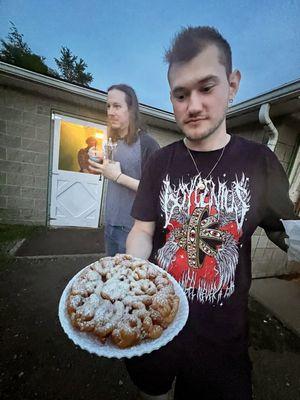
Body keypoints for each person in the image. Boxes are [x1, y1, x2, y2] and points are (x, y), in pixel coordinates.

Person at [124, 26, 300, 400]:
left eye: (207, 87)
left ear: (232, 85)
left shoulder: (260, 163)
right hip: (156, 322)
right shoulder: (159, 162)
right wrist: (131, 274)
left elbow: (288, 233)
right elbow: (142, 229)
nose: (194, 105)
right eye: (181, 94)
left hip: (222, 342)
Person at [89, 84, 160, 255]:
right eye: (108, 106)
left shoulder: (147, 144)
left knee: (126, 279)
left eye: (117, 106)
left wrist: (119, 176)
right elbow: (110, 173)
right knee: (109, 277)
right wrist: (98, 163)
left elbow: (156, 191)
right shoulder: (112, 141)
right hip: (110, 223)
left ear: (131, 109)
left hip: (133, 230)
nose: (110, 112)